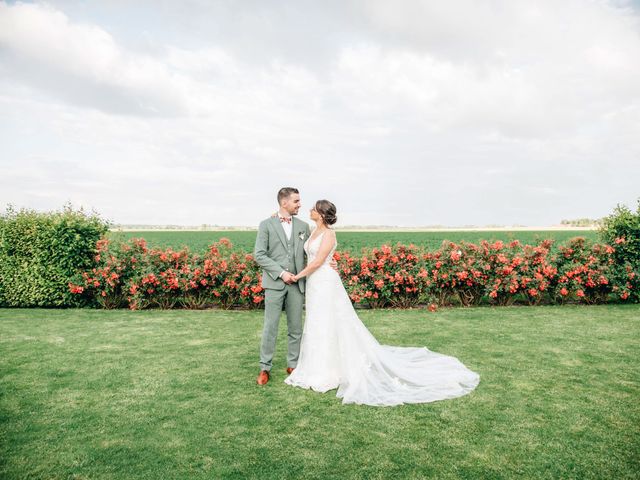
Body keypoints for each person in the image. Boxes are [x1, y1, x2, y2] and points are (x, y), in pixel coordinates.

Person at [284, 199, 480, 406]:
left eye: (314, 208)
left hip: (324, 281)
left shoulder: (329, 234)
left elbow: (317, 261)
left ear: (322, 214)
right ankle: (319, 366)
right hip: (316, 283)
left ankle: (331, 370)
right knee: (317, 322)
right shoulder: (311, 230)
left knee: (331, 321)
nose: (310, 210)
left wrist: (297, 277)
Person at [253, 187, 338, 385]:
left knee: (296, 328)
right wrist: (282, 273)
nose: (300, 204)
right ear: (284, 203)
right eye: (296, 201)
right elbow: (259, 254)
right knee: (270, 327)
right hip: (274, 284)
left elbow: (317, 251)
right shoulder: (266, 224)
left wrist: (331, 262)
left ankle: (293, 364)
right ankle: (265, 367)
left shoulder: (303, 226)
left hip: (297, 285)